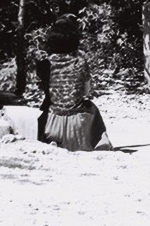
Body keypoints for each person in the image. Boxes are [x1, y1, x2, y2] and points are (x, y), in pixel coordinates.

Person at [35, 16, 112, 151]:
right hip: (78, 125)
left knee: (43, 113)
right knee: (91, 106)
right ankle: (100, 142)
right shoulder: (80, 63)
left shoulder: (44, 65)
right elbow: (86, 92)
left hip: (52, 123)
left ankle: (52, 140)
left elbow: (46, 91)